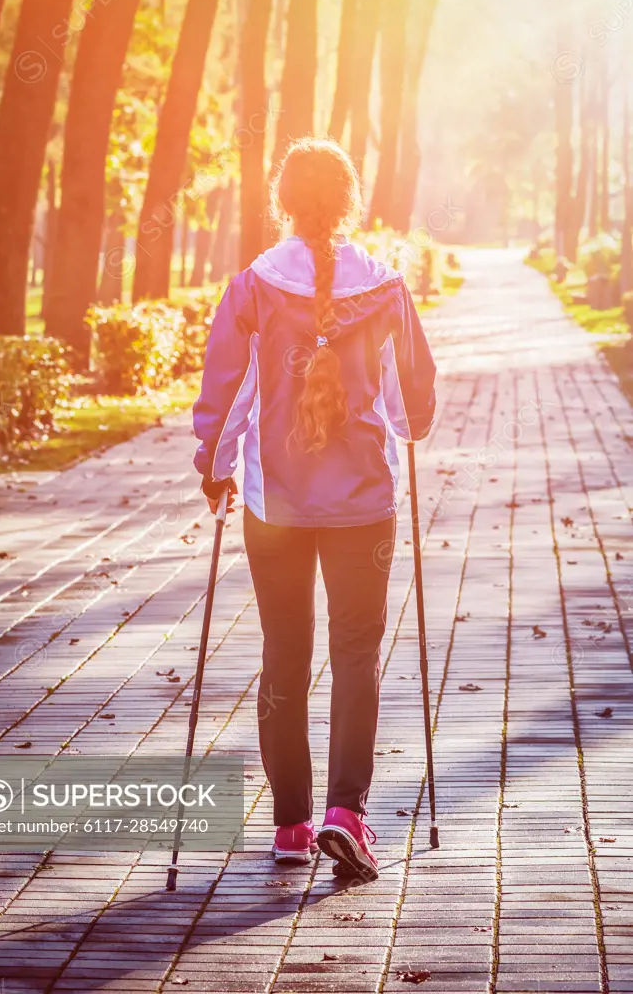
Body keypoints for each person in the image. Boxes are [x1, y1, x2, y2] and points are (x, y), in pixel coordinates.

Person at [193, 138, 436, 882]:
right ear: (349, 200)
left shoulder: (254, 286)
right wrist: (403, 419)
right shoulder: (387, 287)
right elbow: (411, 411)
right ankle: (347, 814)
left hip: (276, 505)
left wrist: (215, 466)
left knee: (284, 655)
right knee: (355, 654)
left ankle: (293, 826)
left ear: (283, 200)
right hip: (364, 504)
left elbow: (228, 391)